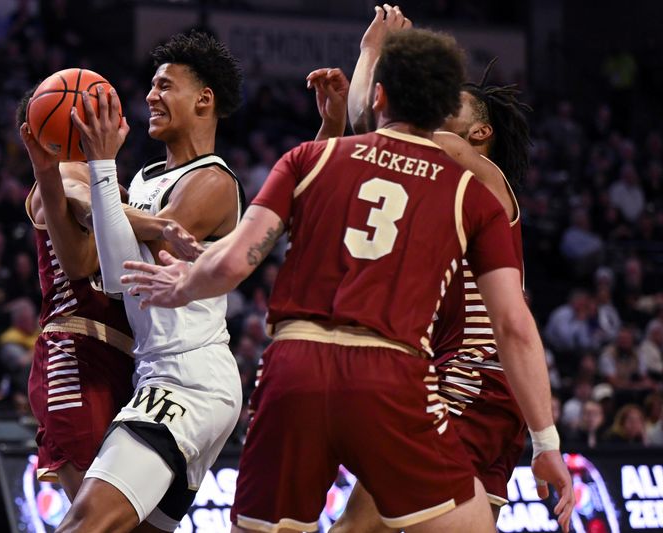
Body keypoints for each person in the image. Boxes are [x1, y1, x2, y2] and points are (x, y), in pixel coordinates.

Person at [125, 27, 573, 533]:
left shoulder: (315, 159)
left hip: (309, 364)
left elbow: (234, 262)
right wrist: (548, 442)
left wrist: (183, 284)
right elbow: (516, 324)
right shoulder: (459, 188)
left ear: (382, 94)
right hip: (402, 371)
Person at [329, 5, 541, 527]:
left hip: (470, 375)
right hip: (490, 387)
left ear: (479, 132)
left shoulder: (476, 170)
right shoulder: (449, 185)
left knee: (359, 524)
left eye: (452, 106)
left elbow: (372, 123)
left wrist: (373, 52)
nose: (436, 108)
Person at [53, 31, 245, 533]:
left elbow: (124, 275)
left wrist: (99, 172)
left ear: (204, 99)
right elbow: (106, 260)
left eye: (165, 86)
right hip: (163, 373)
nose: (150, 97)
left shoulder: (213, 181)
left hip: (189, 378)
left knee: (83, 524)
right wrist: (92, 188)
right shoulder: (145, 179)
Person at [17, 89, 136, 500]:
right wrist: (160, 225)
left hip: (124, 360)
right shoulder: (62, 178)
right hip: (75, 354)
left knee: (123, 519)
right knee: (94, 517)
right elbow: (83, 204)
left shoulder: (109, 179)